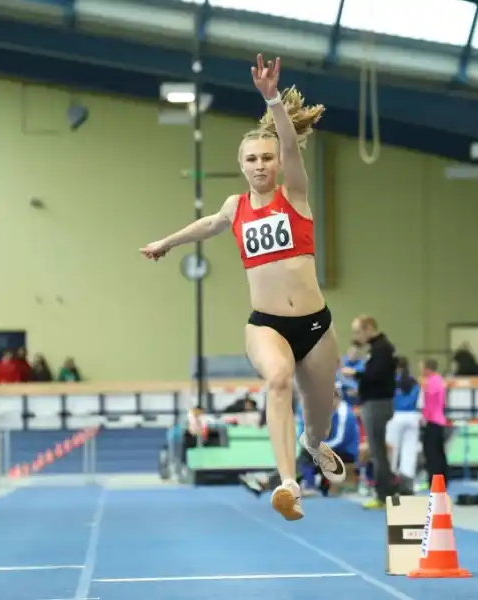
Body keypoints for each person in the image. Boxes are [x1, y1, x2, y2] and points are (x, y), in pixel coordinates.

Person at [140, 54, 345, 521]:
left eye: (267, 158)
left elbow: (290, 145)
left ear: (279, 163)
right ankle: (288, 484)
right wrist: (166, 243)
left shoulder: (294, 196)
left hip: (315, 325)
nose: (260, 165)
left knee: (321, 413)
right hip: (266, 324)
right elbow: (208, 224)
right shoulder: (236, 207)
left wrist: (273, 100)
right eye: (251, 159)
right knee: (278, 380)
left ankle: (314, 444)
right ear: (241, 165)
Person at [242, 387, 360, 498]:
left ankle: (271, 482)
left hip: (346, 452)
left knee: (305, 457)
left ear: (337, 398)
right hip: (329, 450)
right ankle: (276, 482)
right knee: (303, 458)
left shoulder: (345, 413)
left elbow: (339, 439)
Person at [346, 315, 397, 509]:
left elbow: (377, 376)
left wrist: (356, 374)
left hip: (377, 403)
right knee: (377, 451)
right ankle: (387, 492)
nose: (356, 336)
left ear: (368, 328)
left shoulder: (382, 348)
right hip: (374, 401)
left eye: (358, 331)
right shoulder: (376, 348)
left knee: (377, 451)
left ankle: (384, 495)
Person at [387, 357, 421, 493]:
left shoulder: (392, 381)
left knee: (392, 450)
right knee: (410, 451)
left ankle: (391, 480)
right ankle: (407, 483)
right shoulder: (415, 383)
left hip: (396, 415)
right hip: (412, 416)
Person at [421, 359, 449, 486]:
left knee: (431, 452)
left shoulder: (430, 382)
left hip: (432, 420)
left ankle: (433, 479)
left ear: (427, 369)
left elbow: (430, 403)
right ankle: (443, 478)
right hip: (440, 419)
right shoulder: (440, 380)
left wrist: (425, 417)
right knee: (439, 451)